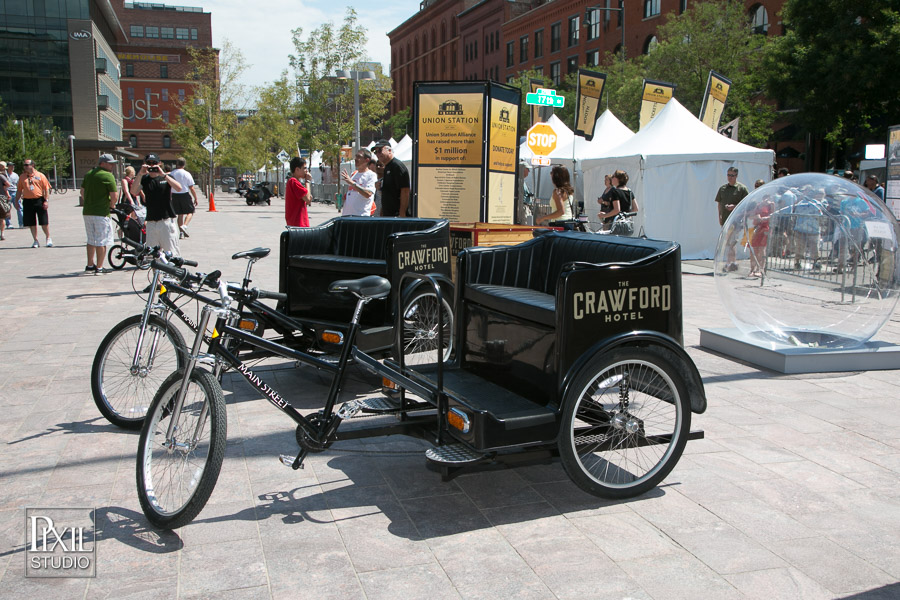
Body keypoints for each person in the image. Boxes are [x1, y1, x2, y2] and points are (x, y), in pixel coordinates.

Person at [131, 153, 183, 255]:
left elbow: (178, 188)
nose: (151, 165)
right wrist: (140, 174)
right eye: (149, 163)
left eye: (154, 163)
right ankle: (156, 271)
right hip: (151, 221)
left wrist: (163, 174)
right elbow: (133, 191)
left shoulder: (166, 177)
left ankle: (172, 270)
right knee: (153, 253)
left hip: (166, 220)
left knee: (171, 252)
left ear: (159, 163)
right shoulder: (145, 179)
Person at [80, 154, 119, 274]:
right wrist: (111, 205)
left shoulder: (89, 174)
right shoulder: (107, 176)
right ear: (102, 163)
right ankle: (100, 267)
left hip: (88, 211)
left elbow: (82, 192)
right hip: (101, 212)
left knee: (91, 239)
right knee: (101, 240)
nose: (112, 165)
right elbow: (114, 196)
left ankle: (90, 264)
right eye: (110, 163)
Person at [715, 167, 749, 271]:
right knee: (728, 242)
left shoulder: (741, 188)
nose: (730, 177)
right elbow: (719, 203)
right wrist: (720, 216)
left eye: (732, 175)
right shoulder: (723, 189)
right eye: (728, 175)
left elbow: (746, 204)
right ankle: (732, 262)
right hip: (726, 219)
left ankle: (730, 263)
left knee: (731, 242)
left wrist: (734, 207)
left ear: (736, 176)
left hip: (736, 220)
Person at [17, 159, 53, 248]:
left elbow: (46, 189)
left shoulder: (40, 175)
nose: (25, 167)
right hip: (27, 201)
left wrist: (46, 201)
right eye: (24, 165)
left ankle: (48, 238)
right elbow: (19, 190)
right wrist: (16, 201)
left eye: (26, 165)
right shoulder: (22, 177)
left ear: (32, 165)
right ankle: (35, 240)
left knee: (44, 221)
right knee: (31, 222)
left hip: (39, 200)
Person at [373, 139, 410, 217]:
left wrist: (402, 213)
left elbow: (405, 191)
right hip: (388, 215)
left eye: (380, 150)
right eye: (376, 152)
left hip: (396, 215)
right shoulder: (387, 167)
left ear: (389, 150)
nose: (378, 154)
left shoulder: (397, 166)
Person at [340, 149, 377, 217]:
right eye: (356, 156)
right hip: (347, 215)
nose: (356, 159)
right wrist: (341, 197)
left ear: (367, 160)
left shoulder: (371, 175)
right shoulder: (354, 174)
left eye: (359, 157)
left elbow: (368, 194)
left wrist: (352, 183)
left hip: (361, 216)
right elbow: (352, 194)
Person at [170, 157, 199, 238]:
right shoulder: (186, 174)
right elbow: (191, 187)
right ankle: (184, 226)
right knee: (191, 211)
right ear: (184, 164)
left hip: (175, 195)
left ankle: (181, 233)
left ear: (177, 164)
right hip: (184, 194)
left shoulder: (172, 173)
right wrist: (195, 198)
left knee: (180, 214)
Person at [285, 156, 312, 227]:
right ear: (297, 169)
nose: (306, 171)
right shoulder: (293, 182)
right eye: (304, 168)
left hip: (298, 222)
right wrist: (307, 181)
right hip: (298, 223)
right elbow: (307, 198)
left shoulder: (293, 182)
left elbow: (307, 200)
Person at [5, 162, 19, 229]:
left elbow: (18, 184)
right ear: (8, 167)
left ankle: (21, 223)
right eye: (11, 166)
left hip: (15, 192)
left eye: (13, 166)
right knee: (8, 208)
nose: (12, 167)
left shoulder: (15, 175)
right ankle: (9, 224)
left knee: (19, 207)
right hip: (7, 192)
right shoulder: (4, 174)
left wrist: (21, 193)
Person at [0, 162, 10, 241]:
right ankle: (2, 233)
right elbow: (7, 185)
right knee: (2, 217)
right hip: (1, 197)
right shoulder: (1, 176)